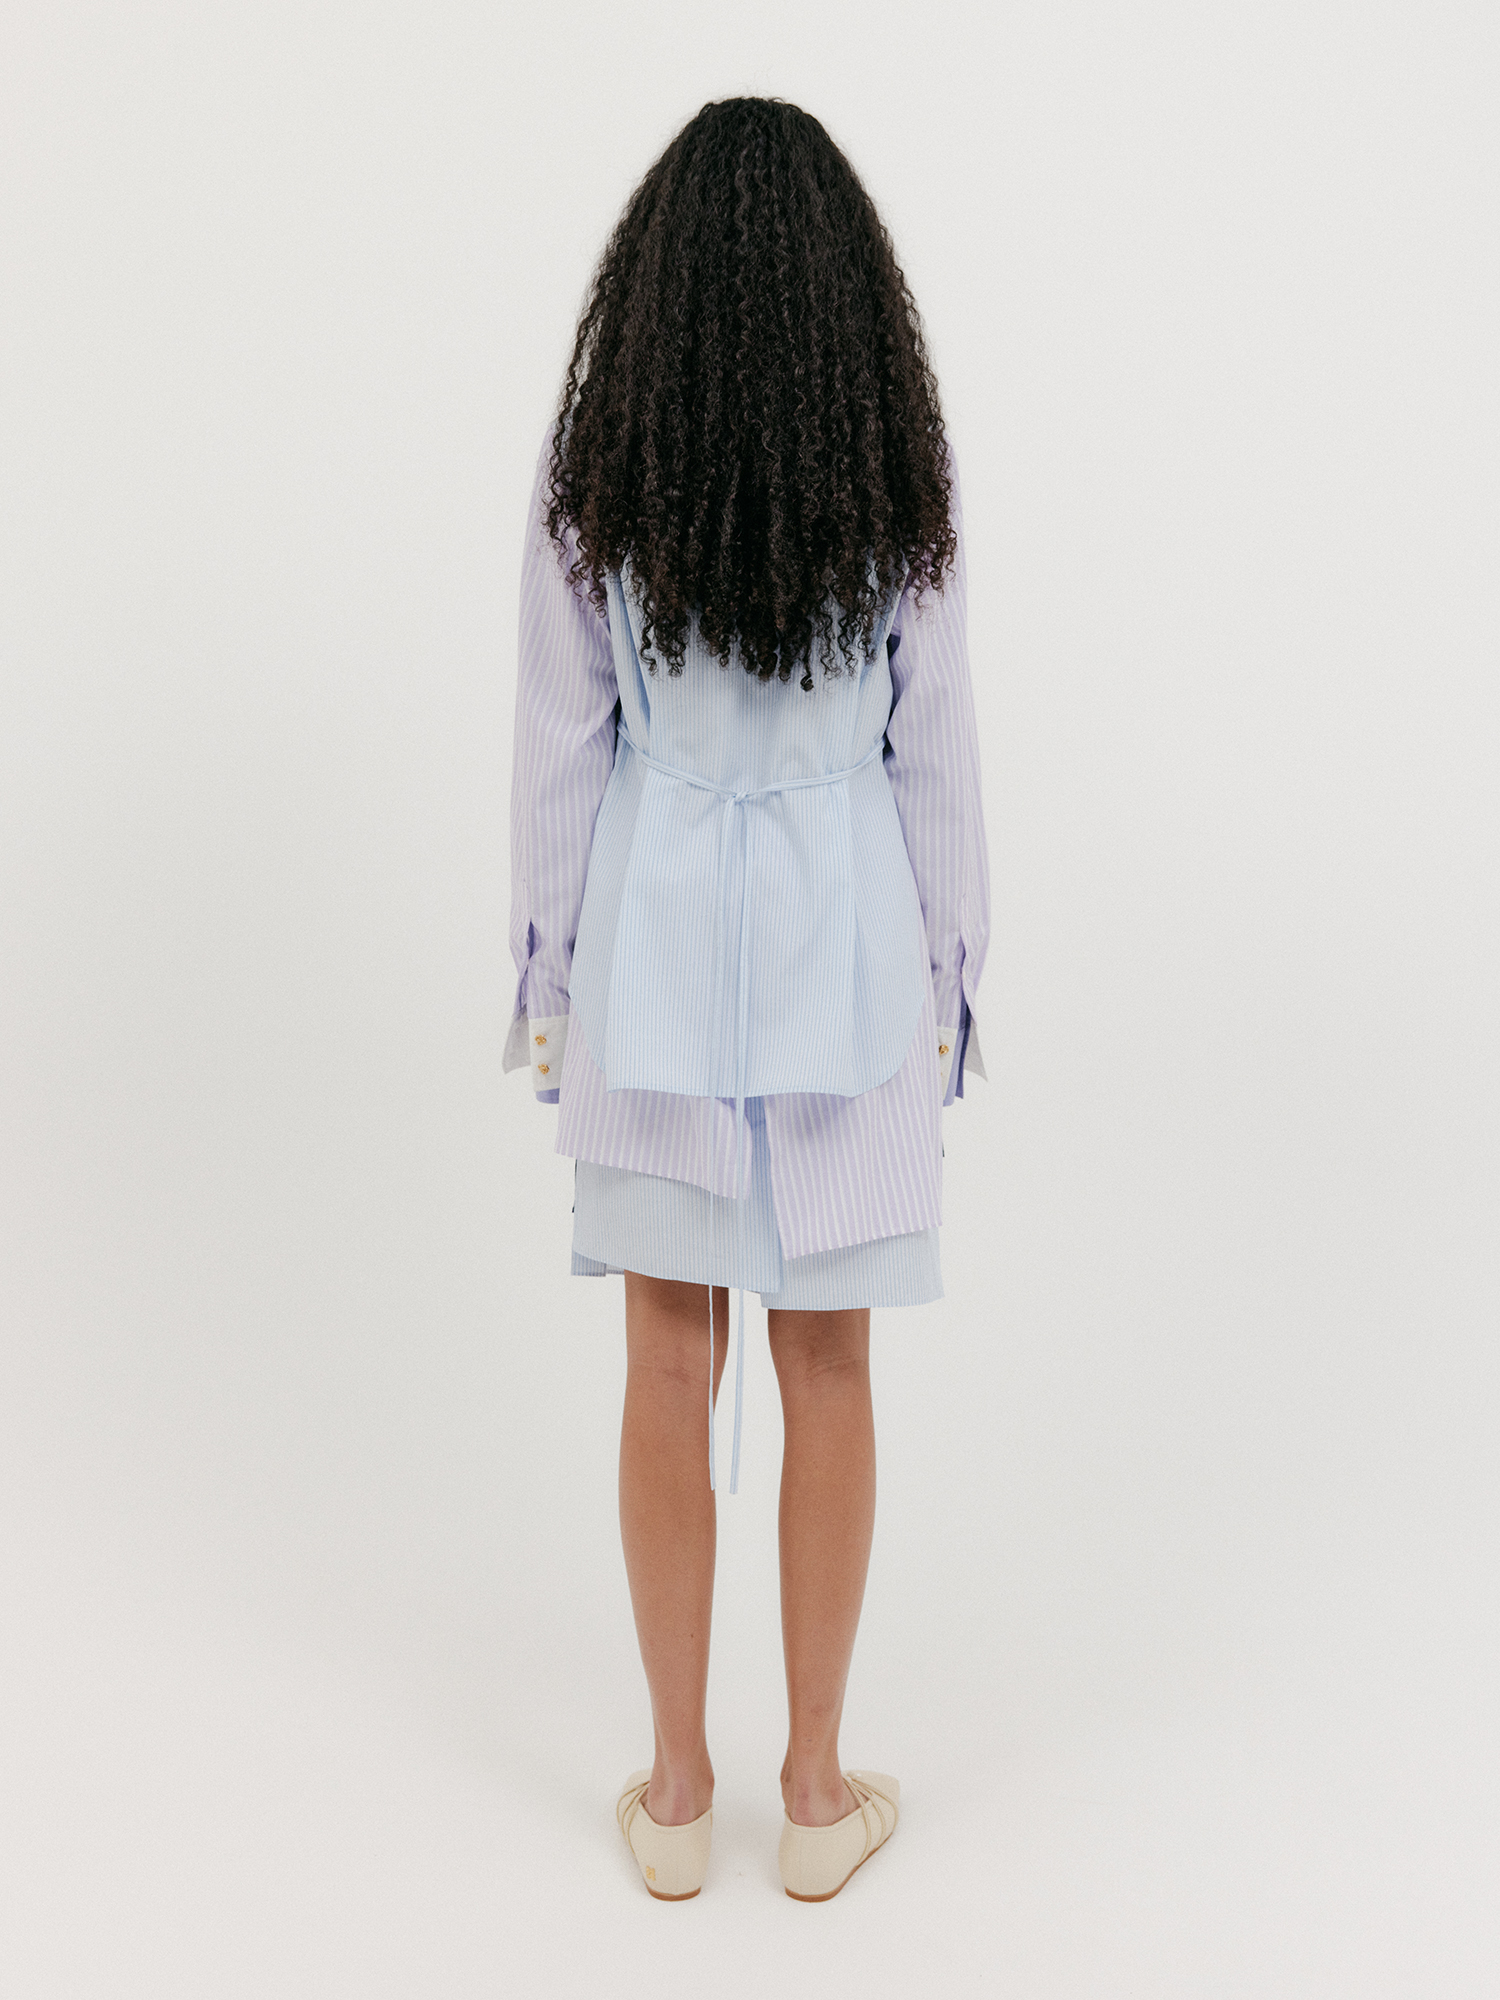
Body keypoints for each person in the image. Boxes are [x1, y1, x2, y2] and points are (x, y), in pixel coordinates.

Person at [506, 95, 989, 1903]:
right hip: (851, 956)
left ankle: (674, 1788)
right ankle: (814, 1789)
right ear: (848, 291)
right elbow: (937, 752)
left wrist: (548, 981)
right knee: (831, 1361)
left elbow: (563, 749)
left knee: (664, 1357)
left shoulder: (601, 478)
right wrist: (953, 980)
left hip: (649, 956)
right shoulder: (894, 475)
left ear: (649, 290)